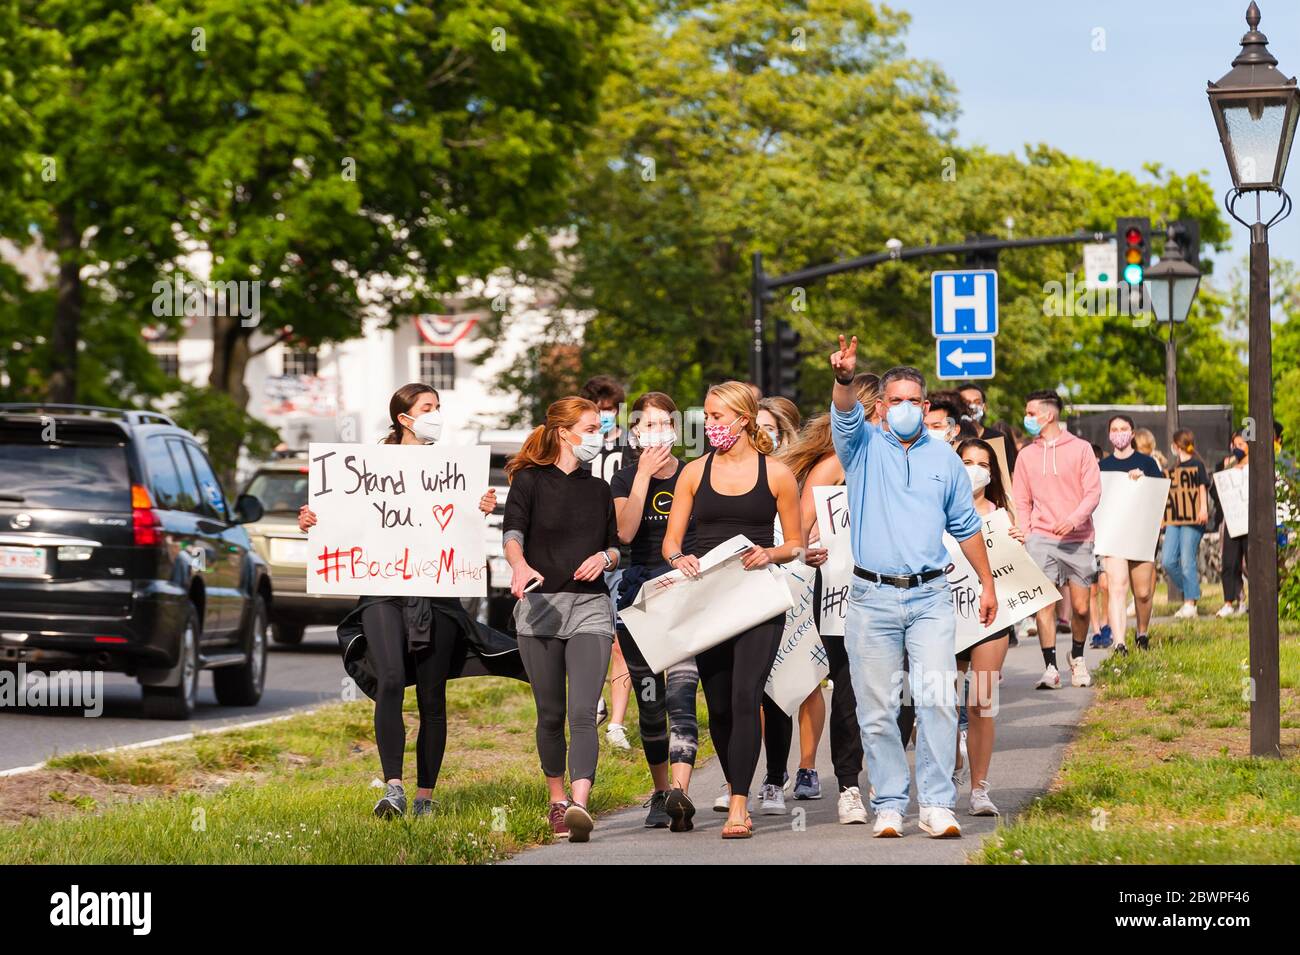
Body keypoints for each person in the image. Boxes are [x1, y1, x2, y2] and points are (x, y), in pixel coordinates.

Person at [298, 383, 525, 820]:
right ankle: (393, 787)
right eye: (428, 407)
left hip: (435, 592)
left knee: (431, 693)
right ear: (404, 418)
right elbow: (341, 519)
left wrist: (479, 506)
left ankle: (425, 796)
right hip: (383, 589)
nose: (436, 414)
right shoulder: (365, 466)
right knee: (389, 677)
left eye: (438, 407)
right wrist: (313, 520)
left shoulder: (454, 468)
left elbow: (458, 527)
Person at [829, 338, 997, 840]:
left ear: (926, 407)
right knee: (877, 708)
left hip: (930, 597)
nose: (903, 408)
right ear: (880, 405)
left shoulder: (945, 460)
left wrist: (988, 584)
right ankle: (888, 802)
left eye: (911, 401)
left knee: (937, 699)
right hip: (871, 597)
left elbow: (966, 526)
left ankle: (938, 804)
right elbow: (842, 416)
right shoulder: (860, 447)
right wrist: (842, 378)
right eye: (893, 400)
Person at [660, 381, 817, 839]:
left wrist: (770, 553)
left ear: (743, 420)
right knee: (721, 707)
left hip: (757, 599)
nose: (709, 425)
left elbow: (794, 544)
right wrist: (677, 558)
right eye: (706, 417)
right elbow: (672, 539)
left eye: (716, 417)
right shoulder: (694, 472)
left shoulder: (776, 474)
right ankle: (736, 784)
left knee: (746, 695)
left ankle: (739, 805)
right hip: (708, 600)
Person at [503, 396, 621, 843]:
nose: (598, 436)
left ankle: (579, 805)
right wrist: (519, 565)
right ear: (564, 432)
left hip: (590, 607)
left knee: (582, 712)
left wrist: (604, 559)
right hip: (539, 609)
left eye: (599, 429)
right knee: (550, 713)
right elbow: (512, 534)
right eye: (591, 429)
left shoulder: (597, 487)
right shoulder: (528, 482)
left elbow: (615, 545)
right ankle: (556, 800)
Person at [776, 373, 880, 824]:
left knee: (900, 694)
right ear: (871, 414)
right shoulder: (833, 464)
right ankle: (850, 785)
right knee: (848, 689)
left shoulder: (901, 460)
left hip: (896, 589)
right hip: (840, 590)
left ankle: (880, 773)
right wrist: (811, 541)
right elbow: (800, 530)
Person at [610, 391, 702, 831]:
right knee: (650, 703)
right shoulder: (623, 479)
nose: (659, 432)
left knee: (682, 697)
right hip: (638, 600)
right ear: (634, 433)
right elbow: (625, 533)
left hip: (683, 597)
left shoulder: (694, 474)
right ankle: (660, 789)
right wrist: (643, 474)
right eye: (649, 425)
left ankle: (682, 792)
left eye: (666, 423)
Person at [1012, 390, 1102, 690]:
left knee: (1081, 607)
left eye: (1030, 412)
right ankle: (1050, 666)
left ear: (1048, 415)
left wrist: (1073, 518)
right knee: (1044, 604)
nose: (1027, 418)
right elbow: (1021, 499)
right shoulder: (1026, 455)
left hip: (1079, 539)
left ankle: (1076, 656)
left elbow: (1093, 493)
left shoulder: (1081, 449)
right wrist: (1025, 531)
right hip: (1040, 538)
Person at [954, 438, 1020, 816]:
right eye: (966, 461)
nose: (974, 469)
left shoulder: (1002, 516)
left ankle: (979, 789)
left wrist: (1018, 543)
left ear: (993, 473)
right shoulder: (935, 510)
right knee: (940, 701)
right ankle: (948, 773)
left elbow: (1017, 571)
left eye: (982, 463)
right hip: (945, 615)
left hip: (989, 618)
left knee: (980, 701)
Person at [578, 374, 633, 749]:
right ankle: (591, 702)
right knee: (590, 636)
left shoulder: (631, 449)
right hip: (587, 551)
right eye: (599, 411)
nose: (606, 417)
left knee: (621, 641)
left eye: (611, 411)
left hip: (623, 554)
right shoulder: (580, 448)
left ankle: (616, 723)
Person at [1097, 415, 1163, 653]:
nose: (1119, 433)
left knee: (1143, 593)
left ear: (1132, 433)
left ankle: (1142, 633)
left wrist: (1142, 482)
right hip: (1114, 533)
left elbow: (1159, 496)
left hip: (1141, 533)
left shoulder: (1147, 464)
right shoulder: (1102, 468)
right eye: (1114, 429)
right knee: (1117, 586)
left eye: (1124, 428)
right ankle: (1120, 642)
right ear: (1109, 434)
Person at [1162, 428, 1210, 620]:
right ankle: (1192, 591)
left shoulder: (1197, 465)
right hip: (1175, 519)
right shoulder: (1172, 469)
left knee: (1187, 560)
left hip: (1193, 519)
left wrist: (1203, 508)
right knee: (1167, 560)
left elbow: (1201, 487)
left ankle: (1190, 602)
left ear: (1176, 445)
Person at [1212, 431, 1249, 617]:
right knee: (1229, 562)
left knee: (1251, 563)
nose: (1238, 449)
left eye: (1242, 445)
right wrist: (1227, 469)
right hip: (1232, 519)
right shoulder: (1224, 466)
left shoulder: (1257, 467)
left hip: (1251, 521)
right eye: (1235, 445)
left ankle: (1254, 601)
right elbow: (1215, 492)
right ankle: (1230, 601)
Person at [959, 381, 1019, 473]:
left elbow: (1008, 473)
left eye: (977, 402)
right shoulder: (951, 438)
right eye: (966, 402)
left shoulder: (998, 438)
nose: (972, 406)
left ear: (984, 406)